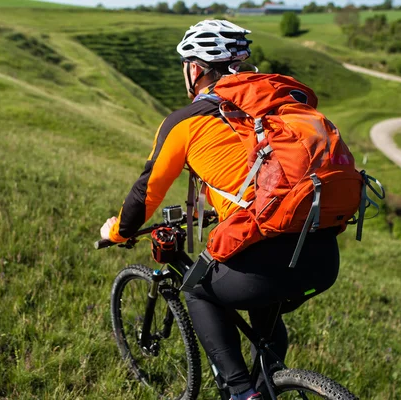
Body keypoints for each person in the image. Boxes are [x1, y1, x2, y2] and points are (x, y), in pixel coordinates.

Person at [100, 20, 340, 400]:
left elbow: (146, 192)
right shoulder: (278, 108)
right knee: (266, 325)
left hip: (265, 261)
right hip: (323, 257)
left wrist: (118, 231)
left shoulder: (185, 122)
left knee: (197, 291)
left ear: (194, 68)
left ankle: (243, 393)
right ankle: (270, 386)